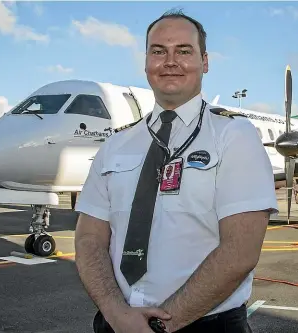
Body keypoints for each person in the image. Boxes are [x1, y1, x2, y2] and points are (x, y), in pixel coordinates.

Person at [73, 9, 278, 333]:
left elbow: (240, 252)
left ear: (205, 62)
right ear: (146, 62)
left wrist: (158, 327)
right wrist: (116, 313)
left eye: (184, 51)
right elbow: (88, 238)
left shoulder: (234, 136)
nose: (170, 61)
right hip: (116, 324)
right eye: (159, 51)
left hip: (206, 325)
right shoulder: (115, 146)